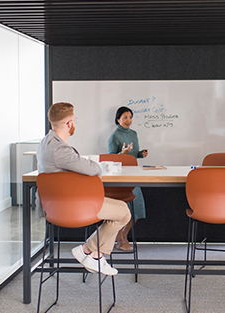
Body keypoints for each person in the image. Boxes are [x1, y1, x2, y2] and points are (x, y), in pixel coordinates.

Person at [36, 102, 131, 276]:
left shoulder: (45, 143)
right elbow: (94, 169)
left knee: (119, 211)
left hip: (55, 205)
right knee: (124, 212)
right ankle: (88, 249)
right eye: (74, 120)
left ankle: (96, 255)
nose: (75, 124)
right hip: (71, 205)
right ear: (68, 124)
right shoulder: (60, 150)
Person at [107, 106, 148, 251]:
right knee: (123, 211)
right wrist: (122, 153)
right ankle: (120, 239)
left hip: (134, 173)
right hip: (120, 176)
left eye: (130, 117)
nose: (128, 120)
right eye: (125, 117)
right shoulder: (114, 136)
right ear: (118, 119)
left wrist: (140, 154)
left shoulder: (134, 133)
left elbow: (134, 154)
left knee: (138, 210)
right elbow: (111, 159)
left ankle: (122, 235)